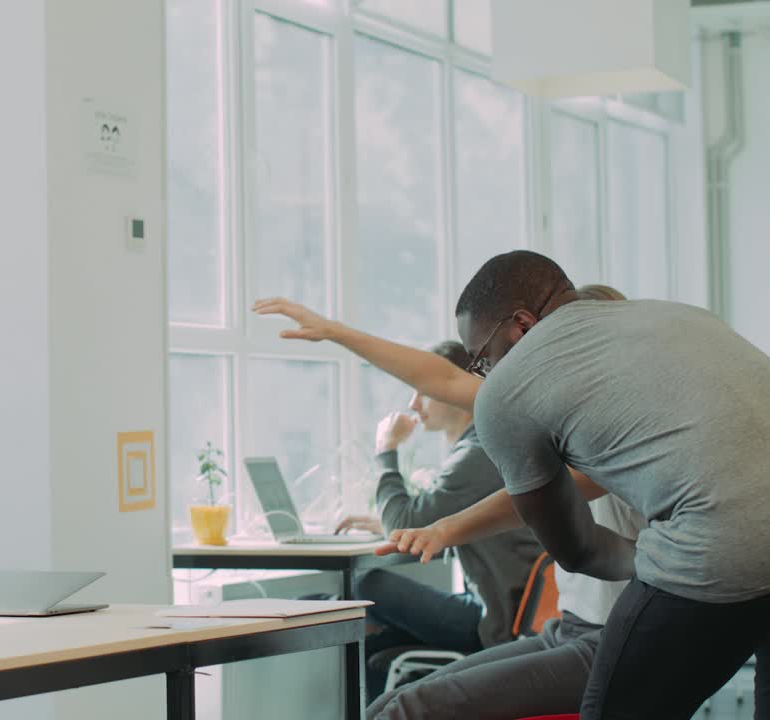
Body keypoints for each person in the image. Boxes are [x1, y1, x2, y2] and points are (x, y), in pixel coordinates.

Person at [442, 250, 770, 718]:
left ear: (521, 325)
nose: (488, 375)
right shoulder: (677, 315)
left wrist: (644, 559)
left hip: (731, 546)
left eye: (482, 359)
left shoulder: (508, 390)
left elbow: (578, 550)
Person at [255, 285, 649, 720]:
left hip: (606, 640)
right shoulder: (558, 411)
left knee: (405, 706)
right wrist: (335, 332)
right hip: (566, 628)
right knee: (387, 702)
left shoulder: (625, 426)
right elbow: (441, 378)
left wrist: (444, 527)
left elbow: (538, 496)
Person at [338, 341, 542, 702]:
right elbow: (424, 519)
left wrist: (386, 450)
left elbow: (401, 521)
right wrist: (382, 523)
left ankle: (318, 606)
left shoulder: (478, 454)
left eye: (424, 391)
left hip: (492, 619)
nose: (415, 405)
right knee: (376, 652)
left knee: (367, 585)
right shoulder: (484, 445)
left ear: (454, 386)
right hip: (502, 609)